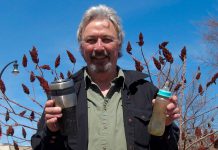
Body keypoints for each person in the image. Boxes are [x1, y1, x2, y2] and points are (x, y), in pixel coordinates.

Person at [31, 4, 180, 150]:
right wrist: (52, 131)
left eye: (107, 39)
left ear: (119, 44)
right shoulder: (64, 95)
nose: (99, 47)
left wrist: (165, 126)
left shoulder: (145, 91)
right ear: (81, 47)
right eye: (91, 40)